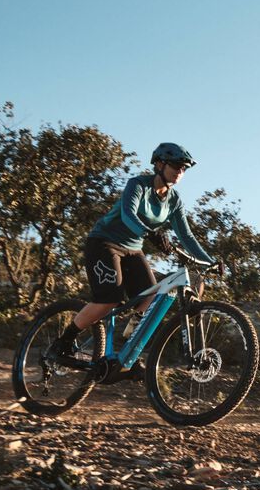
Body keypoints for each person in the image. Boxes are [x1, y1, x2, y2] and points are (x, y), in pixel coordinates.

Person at [48, 142, 217, 363]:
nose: (180, 172)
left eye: (184, 168)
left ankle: (128, 346)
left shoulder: (174, 201)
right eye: (176, 166)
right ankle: (64, 342)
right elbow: (128, 214)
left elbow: (187, 237)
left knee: (151, 296)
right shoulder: (138, 185)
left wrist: (210, 261)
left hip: (133, 249)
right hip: (104, 242)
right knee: (110, 299)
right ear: (159, 164)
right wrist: (150, 233)